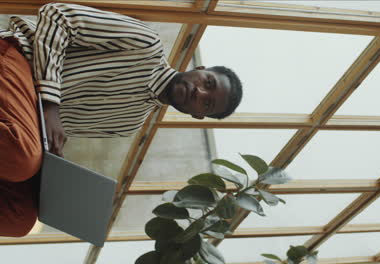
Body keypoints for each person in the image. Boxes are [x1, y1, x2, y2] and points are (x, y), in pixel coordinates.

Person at [0, 3, 242, 237]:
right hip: (15, 57)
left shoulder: (129, 123)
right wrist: (51, 104)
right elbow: (57, 15)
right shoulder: (146, 44)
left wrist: (52, 166)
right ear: (200, 68)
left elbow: (48, 130)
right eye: (208, 82)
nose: (199, 92)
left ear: (198, 115)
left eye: (207, 103)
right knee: (24, 158)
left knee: (20, 219)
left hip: (18, 116)